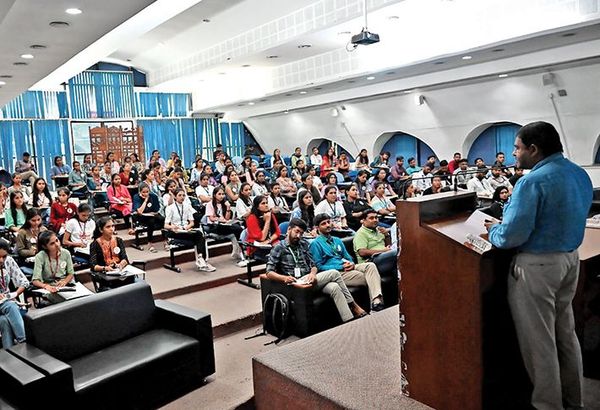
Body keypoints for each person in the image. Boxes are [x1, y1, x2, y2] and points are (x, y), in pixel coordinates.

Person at [485, 121, 593, 410]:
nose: (514, 154)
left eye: (517, 148)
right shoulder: (579, 173)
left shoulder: (531, 181)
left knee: (540, 341)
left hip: (537, 267)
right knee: (565, 334)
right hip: (570, 260)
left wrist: (492, 231)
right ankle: (574, 399)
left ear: (533, 149)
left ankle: (547, 404)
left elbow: (511, 235)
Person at [265, 218, 367, 323]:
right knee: (334, 273)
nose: (299, 236)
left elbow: (313, 265)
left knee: (335, 287)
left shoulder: (304, 244)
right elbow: (269, 272)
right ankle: (353, 305)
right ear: (289, 229)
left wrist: (313, 274)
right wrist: (284, 278)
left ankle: (349, 320)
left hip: (309, 279)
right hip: (294, 284)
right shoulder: (279, 247)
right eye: (296, 232)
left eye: (301, 233)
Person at [310, 214, 384, 311]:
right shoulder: (315, 244)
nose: (328, 225)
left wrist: (350, 263)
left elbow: (348, 257)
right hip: (337, 272)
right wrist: (340, 266)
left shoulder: (337, 240)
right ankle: (376, 305)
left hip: (348, 267)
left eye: (329, 222)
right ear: (317, 228)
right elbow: (319, 266)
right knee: (371, 278)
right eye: (323, 224)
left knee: (370, 265)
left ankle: (376, 301)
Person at [165, 188, 214, 271]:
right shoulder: (170, 208)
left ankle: (201, 259)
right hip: (175, 231)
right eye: (179, 195)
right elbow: (166, 225)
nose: (182, 197)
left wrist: (185, 227)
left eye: (183, 195)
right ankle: (202, 260)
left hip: (185, 230)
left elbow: (192, 223)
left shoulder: (187, 206)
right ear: (175, 197)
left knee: (199, 237)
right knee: (199, 236)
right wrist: (173, 227)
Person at [31, 230, 83, 304]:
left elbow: (71, 273)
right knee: (65, 302)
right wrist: (46, 286)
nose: (57, 244)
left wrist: (65, 281)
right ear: (44, 246)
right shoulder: (40, 256)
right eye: (52, 243)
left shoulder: (66, 253)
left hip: (66, 285)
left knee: (81, 299)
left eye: (57, 240)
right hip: (50, 286)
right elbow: (35, 281)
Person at [89, 217, 138, 289]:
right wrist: (105, 268)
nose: (111, 229)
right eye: (108, 227)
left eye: (113, 226)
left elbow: (124, 258)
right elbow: (93, 266)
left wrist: (121, 264)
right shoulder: (95, 244)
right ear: (100, 229)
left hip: (119, 270)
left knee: (130, 279)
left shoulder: (118, 240)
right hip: (105, 272)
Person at [203, 186, 246, 266]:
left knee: (237, 227)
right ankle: (243, 252)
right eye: (219, 194)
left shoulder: (224, 204)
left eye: (223, 194)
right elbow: (211, 218)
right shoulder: (209, 204)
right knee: (237, 228)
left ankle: (241, 252)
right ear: (215, 195)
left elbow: (227, 218)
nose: (221, 196)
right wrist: (220, 220)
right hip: (214, 227)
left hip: (224, 225)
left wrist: (228, 208)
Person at [353, 208, 397, 283]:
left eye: (376, 217)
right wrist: (383, 251)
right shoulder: (361, 233)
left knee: (400, 266)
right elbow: (362, 252)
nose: (375, 220)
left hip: (385, 258)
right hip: (371, 262)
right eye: (371, 218)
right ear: (363, 220)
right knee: (397, 252)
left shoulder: (379, 230)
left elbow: (388, 246)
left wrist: (386, 235)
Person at [0, 239, 29, 348]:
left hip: (6, 300)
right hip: (8, 305)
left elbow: (24, 282)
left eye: (4, 256)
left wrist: (15, 294)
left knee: (4, 321)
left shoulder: (9, 261)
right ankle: (24, 342)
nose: (2, 260)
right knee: (11, 306)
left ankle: (10, 354)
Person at [245, 195, 281, 260]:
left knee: (283, 251)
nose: (266, 205)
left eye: (266, 203)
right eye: (263, 203)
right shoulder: (251, 218)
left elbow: (277, 232)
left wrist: (269, 240)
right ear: (257, 206)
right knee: (277, 256)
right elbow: (261, 238)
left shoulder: (271, 215)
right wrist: (267, 221)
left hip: (270, 242)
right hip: (257, 247)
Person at [132, 182, 164, 253]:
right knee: (151, 221)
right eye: (143, 192)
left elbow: (156, 210)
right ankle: (150, 242)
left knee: (162, 219)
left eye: (147, 192)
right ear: (140, 192)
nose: (146, 194)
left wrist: (153, 213)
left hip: (152, 214)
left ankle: (165, 240)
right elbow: (139, 211)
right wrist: (145, 201)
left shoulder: (153, 196)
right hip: (141, 217)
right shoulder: (136, 197)